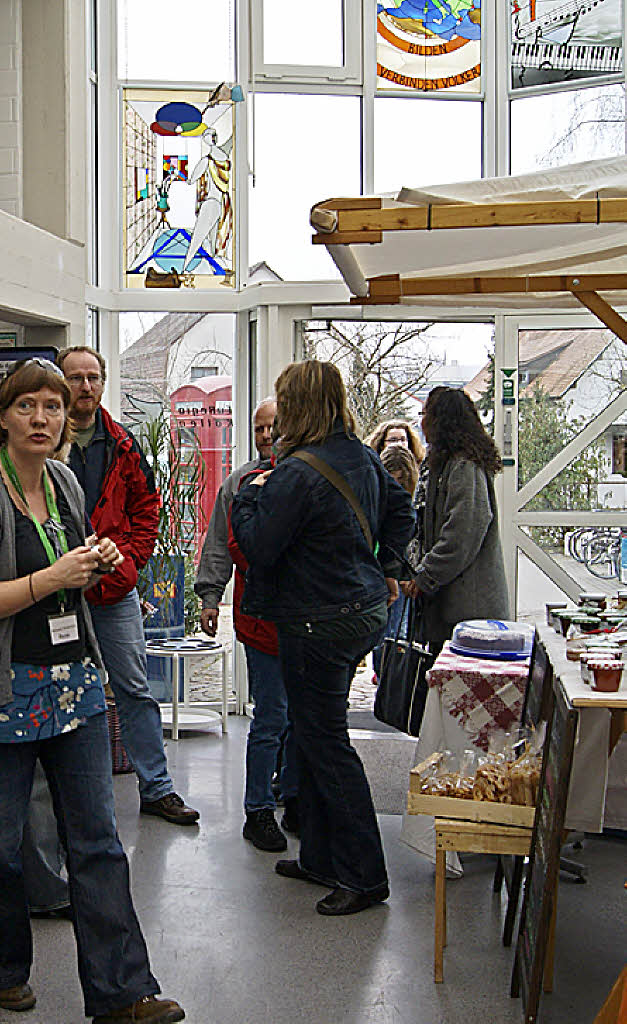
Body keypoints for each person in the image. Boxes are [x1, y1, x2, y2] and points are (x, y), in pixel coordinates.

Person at [0, 358, 184, 1023]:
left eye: (52, 406)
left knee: (98, 841)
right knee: (3, 844)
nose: (43, 418)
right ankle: (5, 970)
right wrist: (52, 577)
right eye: (28, 407)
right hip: (7, 694)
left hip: (73, 686)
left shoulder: (68, 485)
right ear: (4, 416)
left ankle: (122, 991)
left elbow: (75, 572)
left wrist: (98, 560)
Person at [231, 360, 415, 916]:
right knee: (313, 738)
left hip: (315, 622)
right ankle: (317, 855)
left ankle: (363, 875)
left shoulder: (291, 473)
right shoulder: (358, 454)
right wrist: (383, 564)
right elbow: (404, 511)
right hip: (358, 613)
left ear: (295, 407)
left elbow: (260, 547)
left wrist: (245, 495)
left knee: (326, 743)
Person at [58, 346, 198, 826]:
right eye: (75, 377)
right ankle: (72, 799)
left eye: (93, 377)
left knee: (135, 689)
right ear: (61, 382)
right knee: (67, 691)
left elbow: (147, 506)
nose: (85, 386)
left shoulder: (121, 443)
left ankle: (156, 788)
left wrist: (132, 563)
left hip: (113, 592)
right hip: (54, 594)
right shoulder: (40, 444)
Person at [195, 398, 297, 852]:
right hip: (258, 622)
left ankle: (293, 798)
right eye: (259, 429)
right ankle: (258, 809)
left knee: (302, 719)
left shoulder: (305, 480)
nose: (266, 436)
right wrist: (210, 598)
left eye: (274, 427)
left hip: (304, 622)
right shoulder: (237, 485)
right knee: (270, 716)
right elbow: (218, 544)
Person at [401, 386, 509, 654]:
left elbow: (461, 536)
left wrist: (425, 576)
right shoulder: (440, 465)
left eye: (425, 413)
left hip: (468, 616)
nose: (421, 421)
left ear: (440, 421)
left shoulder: (464, 467)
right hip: (449, 611)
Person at [371, 445, 420, 683]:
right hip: (381, 578)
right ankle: (385, 683)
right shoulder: (375, 506)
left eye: (400, 483)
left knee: (396, 638)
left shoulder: (411, 508)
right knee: (384, 640)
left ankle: (391, 686)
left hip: (401, 580)